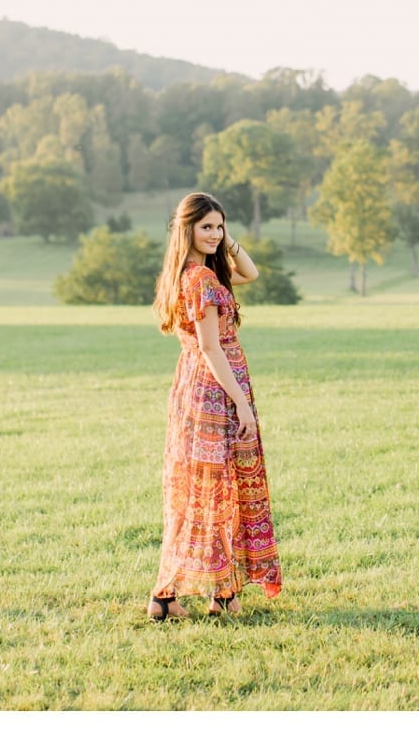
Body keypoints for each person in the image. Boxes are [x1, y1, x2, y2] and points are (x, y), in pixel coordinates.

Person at [147, 191, 283, 619]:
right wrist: (241, 405)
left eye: (220, 226)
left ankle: (219, 593)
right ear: (187, 229)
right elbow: (210, 347)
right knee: (215, 488)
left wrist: (225, 244)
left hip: (197, 387)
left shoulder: (192, 274)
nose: (216, 234)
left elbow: (251, 272)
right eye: (206, 227)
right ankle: (172, 597)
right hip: (215, 391)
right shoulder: (202, 281)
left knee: (208, 489)